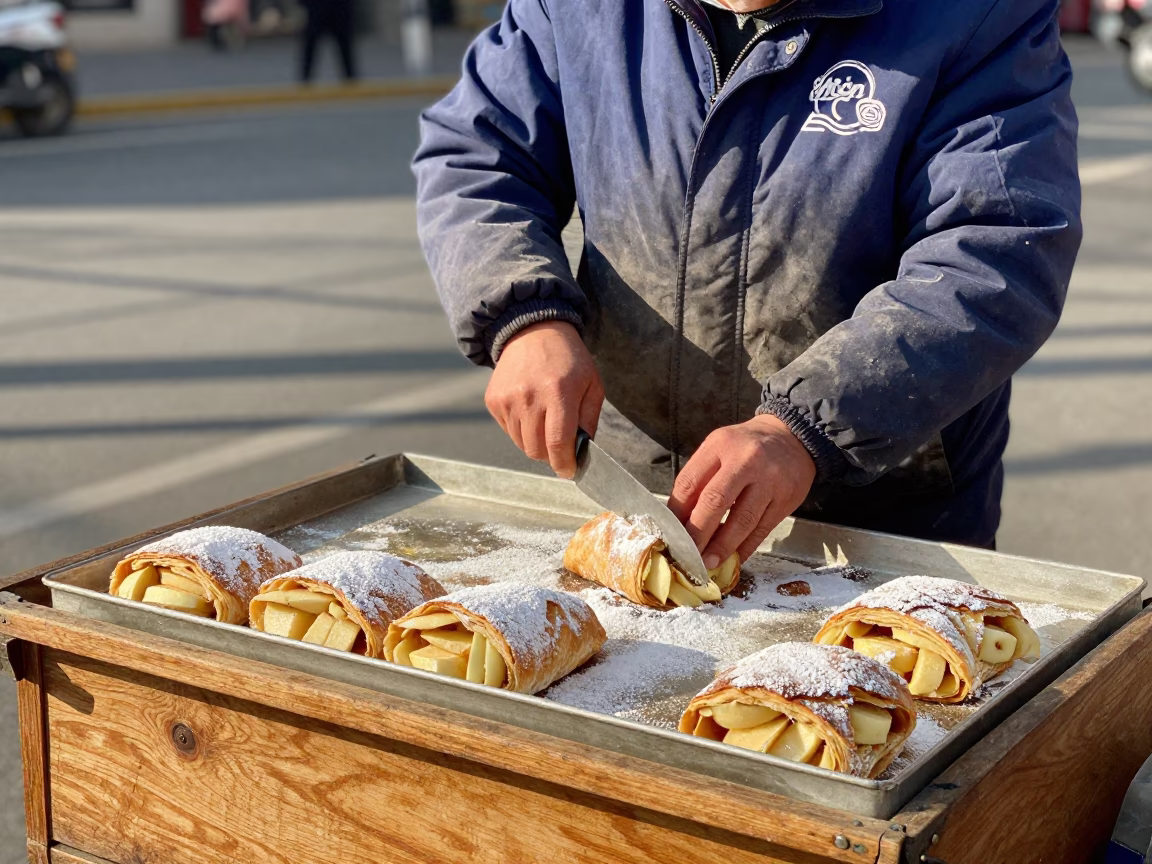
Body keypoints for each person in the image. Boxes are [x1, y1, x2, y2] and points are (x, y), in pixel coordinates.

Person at [413, 0, 1081, 568]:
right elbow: (477, 156)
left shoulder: (978, 14)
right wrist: (524, 316)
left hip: (881, 512)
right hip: (639, 495)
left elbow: (995, 251)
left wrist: (807, 429)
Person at [299, 0, 358, 83]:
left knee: (346, 51)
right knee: (309, 50)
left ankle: (352, 84)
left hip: (340, 8)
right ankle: (304, 84)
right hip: (316, 8)